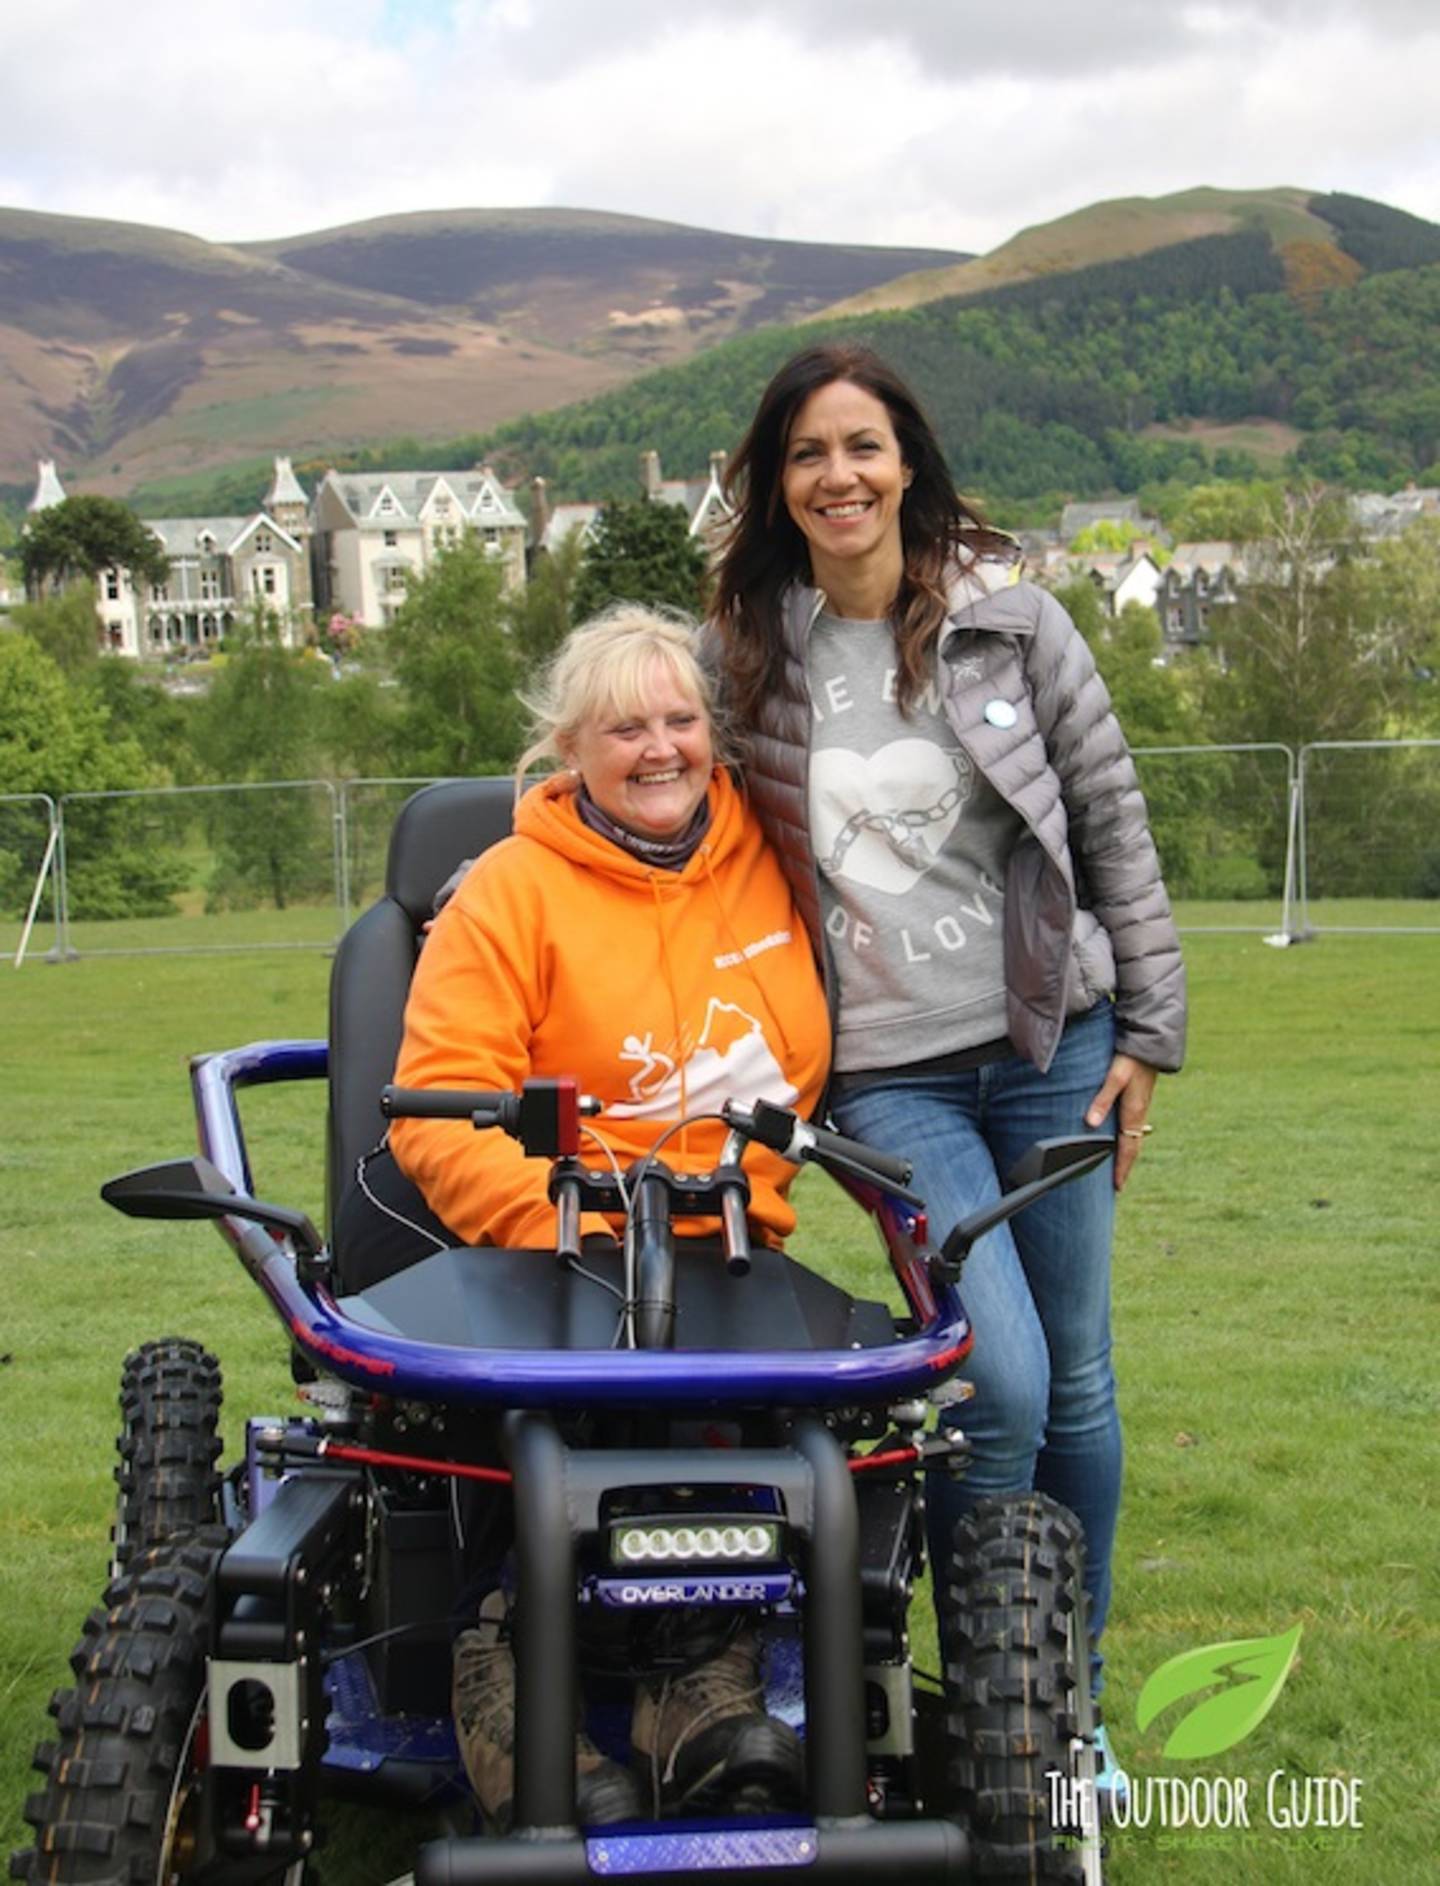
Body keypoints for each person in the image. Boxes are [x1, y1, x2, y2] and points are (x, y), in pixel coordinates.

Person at [708, 343, 1186, 1751]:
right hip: (890, 1075)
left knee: (1082, 1375)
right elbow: (654, 754)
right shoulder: (749, 651)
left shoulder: (1014, 625)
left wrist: (1148, 1032)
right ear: (776, 484)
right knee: (1005, 1377)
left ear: (908, 462)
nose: (839, 475)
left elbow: (1113, 827)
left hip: (1053, 1040)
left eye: (862, 446)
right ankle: (998, 1701)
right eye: (808, 454)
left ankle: (1063, 1702)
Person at [373, 605, 831, 1828]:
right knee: (555, 1403)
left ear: (714, 738)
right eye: (626, 727)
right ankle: (507, 1661)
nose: (661, 747)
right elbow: (442, 1110)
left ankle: (697, 1676)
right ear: (569, 747)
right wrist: (564, 1227)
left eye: (681, 719)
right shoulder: (510, 895)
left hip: (729, 1233)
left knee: (765, 1410)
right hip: (555, 1237)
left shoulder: (776, 863)